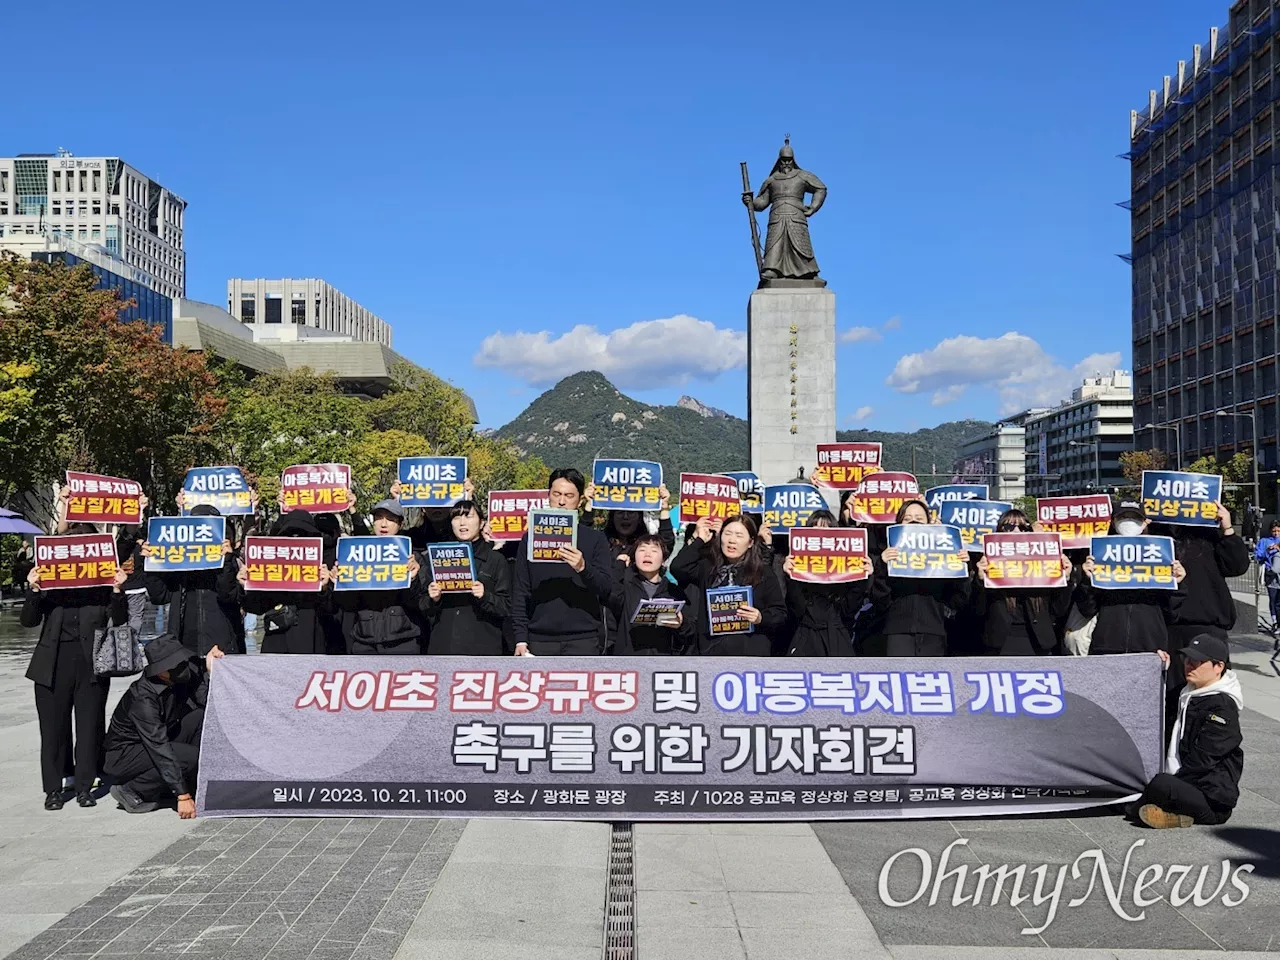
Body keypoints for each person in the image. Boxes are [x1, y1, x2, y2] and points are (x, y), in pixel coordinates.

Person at [22, 540, 127, 810]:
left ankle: (84, 786)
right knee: (53, 730)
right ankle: (54, 789)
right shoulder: (52, 588)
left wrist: (117, 589)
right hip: (51, 665)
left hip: (91, 665)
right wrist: (34, 589)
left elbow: (120, 618)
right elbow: (29, 620)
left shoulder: (100, 588)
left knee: (89, 727)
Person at [104, 635, 224, 817]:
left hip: (161, 737)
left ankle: (190, 782)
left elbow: (205, 699)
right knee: (190, 758)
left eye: (183, 662)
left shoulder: (179, 675)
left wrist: (209, 668)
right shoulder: (143, 699)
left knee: (200, 717)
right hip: (125, 754)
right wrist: (182, 796)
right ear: (161, 672)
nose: (183, 668)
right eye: (176, 666)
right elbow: (159, 747)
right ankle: (132, 790)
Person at [1132, 634, 1243, 828]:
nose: (1189, 665)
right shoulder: (1186, 692)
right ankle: (1173, 814)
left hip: (1211, 798)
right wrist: (1155, 667)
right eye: (1187, 659)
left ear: (1219, 667)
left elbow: (1204, 760)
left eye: (1198, 661)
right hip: (1183, 784)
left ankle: (1156, 806)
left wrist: (1173, 784)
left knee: (1160, 785)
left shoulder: (1222, 706)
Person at [510, 468, 614, 656]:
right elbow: (520, 590)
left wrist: (583, 567)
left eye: (569, 495)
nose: (562, 501)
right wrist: (520, 638)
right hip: (539, 639)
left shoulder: (595, 538)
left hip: (583, 639)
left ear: (580, 500)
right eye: (556, 494)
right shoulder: (530, 538)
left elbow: (606, 587)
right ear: (548, 495)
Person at [1077, 502, 1187, 655]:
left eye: (1134, 518)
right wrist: (1087, 581)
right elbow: (1087, 609)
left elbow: (1172, 614)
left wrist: (1177, 584)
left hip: (1149, 647)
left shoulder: (1161, 555)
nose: (1128, 521)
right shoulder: (1099, 555)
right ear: (1113, 522)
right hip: (1107, 646)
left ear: (1144, 523)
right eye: (1123, 517)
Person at [670, 512, 787, 656]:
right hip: (711, 651)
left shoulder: (763, 572)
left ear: (750, 542)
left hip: (750, 653)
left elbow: (780, 613)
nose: (732, 540)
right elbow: (678, 568)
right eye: (728, 534)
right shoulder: (708, 567)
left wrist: (760, 618)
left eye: (739, 536)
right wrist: (699, 539)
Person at [870, 499, 971, 657]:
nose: (914, 522)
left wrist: (962, 568)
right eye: (907, 519)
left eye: (919, 518)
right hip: (897, 631)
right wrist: (882, 567)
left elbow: (958, 599)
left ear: (929, 523)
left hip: (934, 630)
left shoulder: (944, 554)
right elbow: (879, 600)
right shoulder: (888, 555)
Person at [145, 501, 245, 656]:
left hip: (223, 647)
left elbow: (229, 595)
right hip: (184, 648)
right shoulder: (178, 563)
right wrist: (151, 565)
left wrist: (226, 561)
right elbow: (159, 596)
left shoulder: (230, 562)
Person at [972, 509, 1074, 656]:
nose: (1016, 531)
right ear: (999, 531)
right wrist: (981, 580)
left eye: (1023, 527)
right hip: (1000, 645)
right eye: (1008, 527)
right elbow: (977, 609)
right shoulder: (989, 563)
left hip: (1039, 644)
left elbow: (1058, 610)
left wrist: (1065, 578)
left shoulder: (1045, 564)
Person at [333, 499, 425, 654]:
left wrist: (414, 579)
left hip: (403, 642)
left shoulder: (412, 558)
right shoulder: (356, 556)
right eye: (378, 518)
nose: (384, 524)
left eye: (390, 519)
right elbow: (348, 605)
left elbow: (420, 604)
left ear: (400, 524)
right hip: (364, 642)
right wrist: (341, 584)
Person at [240, 509, 336, 654]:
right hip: (276, 644)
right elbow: (255, 607)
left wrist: (324, 589)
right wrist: (246, 586)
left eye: (302, 534)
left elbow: (333, 611)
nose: (295, 539)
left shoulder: (322, 566)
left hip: (311, 644)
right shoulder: (269, 566)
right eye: (290, 535)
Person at [423, 500, 511, 655]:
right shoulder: (438, 556)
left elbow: (507, 607)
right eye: (456, 518)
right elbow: (422, 606)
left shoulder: (496, 560)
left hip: (483, 649)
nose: (462, 523)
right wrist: (434, 599)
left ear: (482, 523)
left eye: (469, 516)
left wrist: (485, 596)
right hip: (443, 646)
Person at [781, 509, 868, 657]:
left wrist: (862, 576)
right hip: (806, 639)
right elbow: (797, 610)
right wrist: (791, 577)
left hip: (837, 640)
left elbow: (849, 610)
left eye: (827, 529)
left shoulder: (846, 570)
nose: (821, 535)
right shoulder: (795, 568)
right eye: (815, 530)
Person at [1163, 505, 1250, 651]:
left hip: (1209, 625)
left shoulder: (1209, 532)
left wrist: (1227, 529)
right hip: (1167, 624)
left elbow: (1237, 567)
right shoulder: (1157, 532)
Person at [607, 532, 695, 655]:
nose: (647, 554)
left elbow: (691, 631)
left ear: (664, 559)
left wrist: (681, 623)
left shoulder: (674, 591)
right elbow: (610, 593)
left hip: (662, 664)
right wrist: (619, 567)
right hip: (628, 662)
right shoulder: (625, 586)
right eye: (642, 550)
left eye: (654, 551)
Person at [1255, 519, 1280, 634]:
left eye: (1278, 531)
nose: (1276, 533)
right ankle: (1275, 622)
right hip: (1271, 575)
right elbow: (1258, 556)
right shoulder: (1265, 541)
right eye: (1274, 531)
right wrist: (1266, 551)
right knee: (1273, 600)